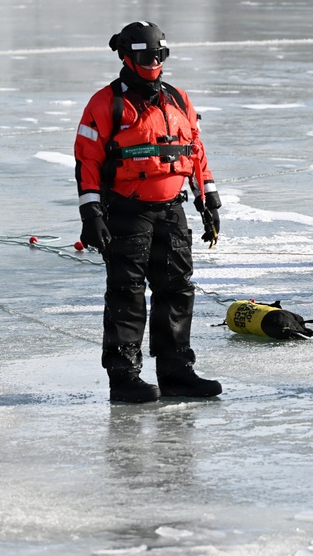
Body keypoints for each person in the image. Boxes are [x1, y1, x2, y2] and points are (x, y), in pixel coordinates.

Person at [74, 21, 223, 403]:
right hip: (127, 212)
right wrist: (91, 213)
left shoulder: (178, 99)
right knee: (127, 294)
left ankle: (176, 372)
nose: (154, 62)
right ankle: (124, 378)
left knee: (176, 290)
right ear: (126, 56)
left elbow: (195, 151)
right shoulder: (106, 103)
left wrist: (209, 199)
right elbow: (87, 160)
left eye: (160, 55)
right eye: (146, 56)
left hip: (172, 211)